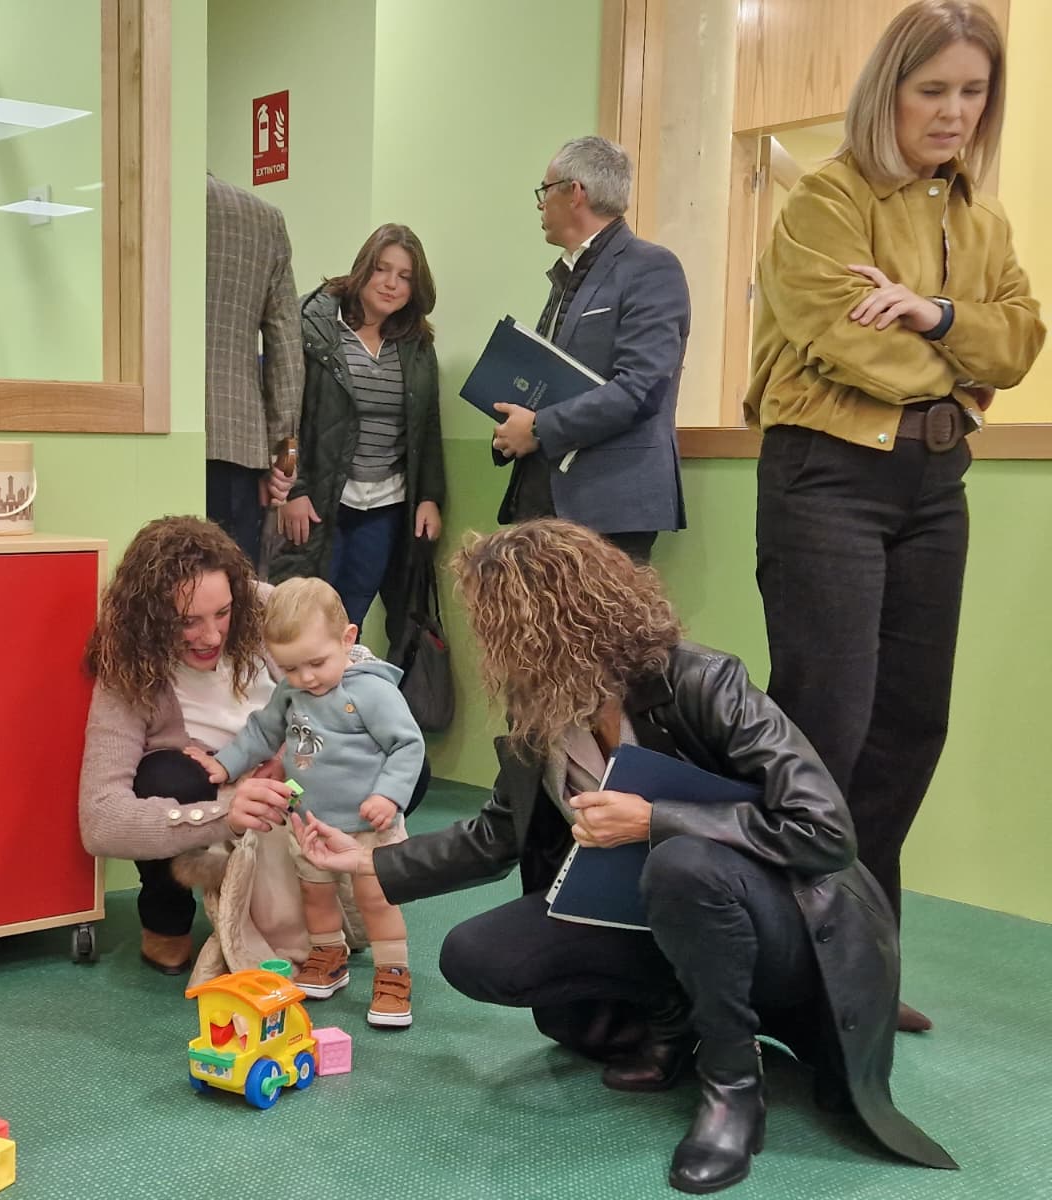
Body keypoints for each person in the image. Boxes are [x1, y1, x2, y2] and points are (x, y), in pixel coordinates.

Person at [295, 521, 956, 1194]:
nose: (490, 645)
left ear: (557, 620)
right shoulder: (541, 705)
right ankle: (675, 1018)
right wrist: (366, 862)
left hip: (782, 922)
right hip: (656, 915)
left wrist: (656, 820)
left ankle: (733, 1086)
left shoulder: (705, 682)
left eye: (498, 624)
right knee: (476, 954)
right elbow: (498, 833)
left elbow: (824, 831)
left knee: (682, 864)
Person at [745, 0, 1043, 1034]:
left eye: (972, 92)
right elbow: (844, 340)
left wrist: (936, 314)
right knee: (824, 730)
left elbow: (1021, 338)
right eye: (933, 90)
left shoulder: (983, 216)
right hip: (825, 477)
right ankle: (783, 972)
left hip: (932, 489)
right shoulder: (824, 200)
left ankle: (858, 967)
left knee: (910, 728)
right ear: (887, 91)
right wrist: (963, 366)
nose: (954, 112)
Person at [191, 577, 422, 1028]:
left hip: (366, 826)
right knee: (315, 895)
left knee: (376, 901)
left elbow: (407, 746)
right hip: (309, 823)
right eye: (291, 668)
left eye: (316, 663)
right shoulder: (292, 691)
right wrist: (223, 764)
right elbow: (262, 731)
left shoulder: (371, 693)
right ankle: (327, 955)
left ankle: (393, 973)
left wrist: (388, 795)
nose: (306, 678)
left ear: (348, 639)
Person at [491, 136, 690, 565]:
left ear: (574, 192)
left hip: (609, 506)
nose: (541, 205)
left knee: (606, 634)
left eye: (545, 191)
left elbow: (639, 389)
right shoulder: (569, 273)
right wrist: (513, 424)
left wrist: (539, 427)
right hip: (545, 499)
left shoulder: (651, 267)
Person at [268, 224, 445, 644]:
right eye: (382, 269)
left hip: (385, 506)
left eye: (404, 276)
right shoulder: (313, 326)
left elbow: (428, 426)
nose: (391, 284)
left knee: (351, 620)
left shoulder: (416, 343)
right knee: (301, 619)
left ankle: (340, 705)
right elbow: (283, 411)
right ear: (363, 268)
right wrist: (291, 490)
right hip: (319, 501)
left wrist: (429, 498)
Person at [205, 174, 302, 565]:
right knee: (231, 590)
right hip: (235, 443)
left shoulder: (134, 198)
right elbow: (287, 353)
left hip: (137, 433)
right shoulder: (261, 219)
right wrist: (284, 459)